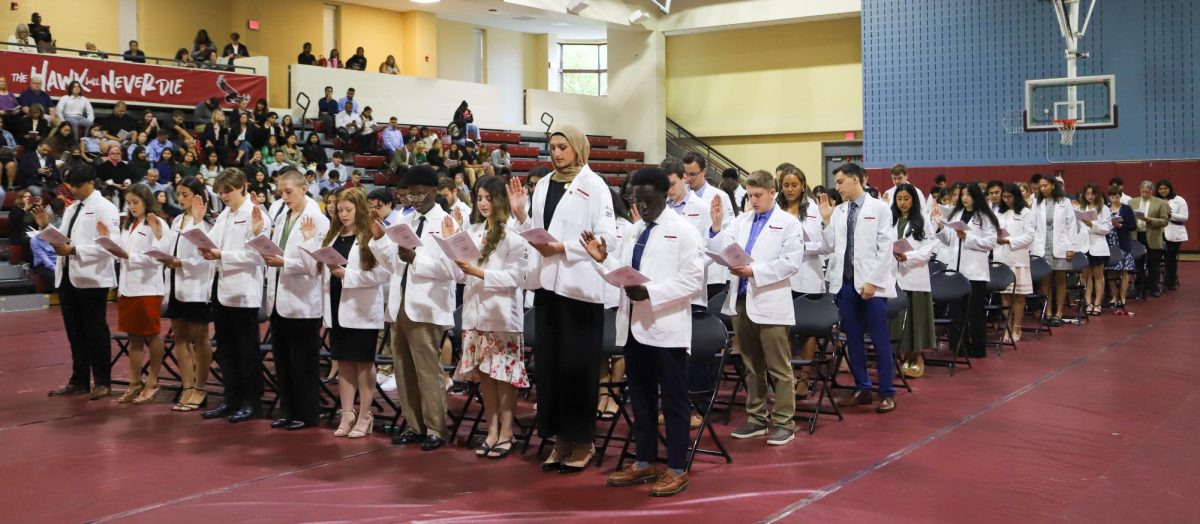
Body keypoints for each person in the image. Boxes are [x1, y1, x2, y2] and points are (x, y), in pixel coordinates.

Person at [582, 167, 703, 496]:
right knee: (641, 399)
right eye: (637, 200)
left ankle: (677, 467)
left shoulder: (685, 231)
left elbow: (693, 280)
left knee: (675, 403)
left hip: (666, 329)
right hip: (634, 329)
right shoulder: (635, 231)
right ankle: (645, 460)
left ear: (664, 195)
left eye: (648, 200)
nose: (642, 206)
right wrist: (602, 260)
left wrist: (650, 293)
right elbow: (621, 273)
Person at [508, 125, 616, 471]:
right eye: (552, 147)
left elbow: (604, 237)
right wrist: (522, 216)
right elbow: (537, 236)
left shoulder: (594, 185)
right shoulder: (542, 185)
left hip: (579, 292)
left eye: (562, 147)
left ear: (578, 148)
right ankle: (558, 440)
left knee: (577, 370)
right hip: (547, 289)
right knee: (550, 369)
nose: (556, 153)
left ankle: (582, 441)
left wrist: (562, 248)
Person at [710, 169, 805, 442]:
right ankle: (756, 418)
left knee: (779, 366)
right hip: (741, 299)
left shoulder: (788, 223)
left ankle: (785, 421)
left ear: (772, 193)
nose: (753, 200)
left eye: (758, 195)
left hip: (770, 299)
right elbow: (725, 247)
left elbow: (791, 263)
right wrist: (716, 227)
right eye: (750, 195)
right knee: (751, 364)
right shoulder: (741, 220)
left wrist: (754, 271)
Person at [367, 167, 457, 450]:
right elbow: (393, 264)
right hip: (400, 302)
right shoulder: (406, 219)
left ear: (434, 191)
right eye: (410, 194)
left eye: (420, 193)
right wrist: (379, 239)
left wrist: (416, 259)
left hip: (427, 305)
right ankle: (414, 425)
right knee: (403, 369)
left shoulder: (446, 222)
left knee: (427, 370)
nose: (415, 199)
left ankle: (435, 428)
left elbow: (452, 269)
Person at [447, 175, 532, 459]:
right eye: (479, 198)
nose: (483, 203)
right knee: (485, 375)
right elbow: (460, 274)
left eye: (488, 198)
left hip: (502, 316)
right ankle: (491, 428)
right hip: (475, 313)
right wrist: (451, 247)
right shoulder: (472, 230)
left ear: (501, 200)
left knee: (503, 377)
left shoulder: (514, 234)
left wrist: (478, 272)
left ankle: (506, 432)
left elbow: (515, 277)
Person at [816, 163, 898, 412]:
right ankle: (862, 387)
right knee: (853, 340)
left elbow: (886, 249)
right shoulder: (839, 211)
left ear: (855, 180)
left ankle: (886, 392)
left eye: (841, 182)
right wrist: (826, 220)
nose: (837, 187)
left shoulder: (880, 208)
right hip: (845, 284)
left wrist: (873, 281)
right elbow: (831, 246)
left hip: (872, 283)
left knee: (879, 339)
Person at [35, 163, 121, 399]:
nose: (73, 189)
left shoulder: (106, 208)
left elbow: (111, 246)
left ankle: (103, 381)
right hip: (67, 276)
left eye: (78, 185)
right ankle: (79, 379)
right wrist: (45, 226)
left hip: (92, 278)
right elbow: (63, 238)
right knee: (74, 331)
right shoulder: (73, 208)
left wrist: (73, 250)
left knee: (95, 331)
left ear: (91, 182)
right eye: (71, 185)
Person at [261, 169, 331, 431]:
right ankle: (288, 410)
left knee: (303, 363)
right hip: (279, 298)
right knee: (283, 361)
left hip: (303, 301)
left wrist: (284, 262)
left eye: (288, 191)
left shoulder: (317, 218)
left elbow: (314, 266)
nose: (284, 196)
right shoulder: (282, 215)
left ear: (304, 188)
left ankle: (307, 413)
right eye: (281, 192)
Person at [199, 168, 267, 423]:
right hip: (221, 288)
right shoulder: (225, 214)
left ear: (242, 187)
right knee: (226, 349)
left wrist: (221, 255)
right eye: (220, 191)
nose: (224, 195)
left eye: (228, 190)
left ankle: (252, 402)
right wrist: (205, 247)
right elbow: (213, 244)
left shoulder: (255, 213)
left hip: (243, 290)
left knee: (246, 350)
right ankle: (231, 398)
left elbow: (256, 255)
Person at [104, 184, 168, 404]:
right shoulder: (129, 224)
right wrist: (108, 243)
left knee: (151, 332)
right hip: (128, 287)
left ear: (146, 201)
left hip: (148, 286)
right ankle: (134, 382)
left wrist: (128, 255)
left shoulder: (156, 223)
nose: (131, 207)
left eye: (135, 202)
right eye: (128, 202)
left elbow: (158, 256)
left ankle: (153, 380)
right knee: (133, 336)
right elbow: (123, 253)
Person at [932, 182, 998, 358]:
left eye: (968, 195)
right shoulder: (956, 214)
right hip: (956, 271)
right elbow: (949, 241)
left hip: (975, 271)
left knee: (975, 313)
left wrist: (967, 236)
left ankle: (978, 348)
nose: (964, 198)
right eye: (962, 195)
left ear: (976, 196)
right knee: (956, 312)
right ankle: (959, 347)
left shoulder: (985, 217)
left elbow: (990, 243)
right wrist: (941, 227)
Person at [890, 183, 937, 377]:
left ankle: (916, 357)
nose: (902, 203)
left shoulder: (922, 220)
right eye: (899, 199)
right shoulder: (890, 220)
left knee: (915, 318)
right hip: (894, 276)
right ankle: (903, 357)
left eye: (906, 199)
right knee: (900, 319)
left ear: (914, 200)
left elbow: (929, 247)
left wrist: (908, 257)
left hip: (915, 275)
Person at [683, 152, 733, 298]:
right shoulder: (681, 197)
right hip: (688, 268)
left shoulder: (719, 196)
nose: (689, 179)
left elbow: (729, 230)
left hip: (713, 270)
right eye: (685, 174)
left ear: (704, 172)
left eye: (693, 174)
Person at [1032, 176, 1078, 324]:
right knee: (1045, 280)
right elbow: (1032, 224)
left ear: (1053, 185)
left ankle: (1059, 312)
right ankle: (1048, 312)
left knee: (1060, 279)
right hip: (1042, 244)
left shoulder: (1065, 202)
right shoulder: (1036, 202)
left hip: (1061, 244)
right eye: (1041, 186)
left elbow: (1071, 225)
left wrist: (1071, 247)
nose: (1043, 188)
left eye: (1045, 185)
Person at [1075, 182, 1112, 315]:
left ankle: (1097, 303)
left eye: (1092, 193)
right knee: (1085, 276)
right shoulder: (1080, 208)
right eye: (1087, 194)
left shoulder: (1104, 209)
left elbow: (1107, 229)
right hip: (1083, 246)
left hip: (1098, 246)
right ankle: (1088, 302)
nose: (1089, 196)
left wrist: (1092, 225)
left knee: (1098, 276)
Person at [1104, 185, 1137, 311]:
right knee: (1111, 271)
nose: (1115, 199)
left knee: (1124, 271)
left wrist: (1121, 225)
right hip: (1110, 243)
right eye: (1112, 197)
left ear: (1120, 196)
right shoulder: (1106, 208)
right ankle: (1114, 295)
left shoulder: (1127, 208)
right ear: (1109, 197)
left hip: (1122, 242)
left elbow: (1133, 226)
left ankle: (1123, 296)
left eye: (1117, 197)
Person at [1158, 180, 1187, 292]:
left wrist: (1170, 214)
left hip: (1174, 232)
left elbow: (1184, 217)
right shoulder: (1155, 200)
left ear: (1170, 189)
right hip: (1158, 232)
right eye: (1161, 189)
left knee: (1170, 259)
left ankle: (1170, 282)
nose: (1163, 191)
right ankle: (1153, 282)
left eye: (1165, 188)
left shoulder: (1179, 200)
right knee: (1155, 259)